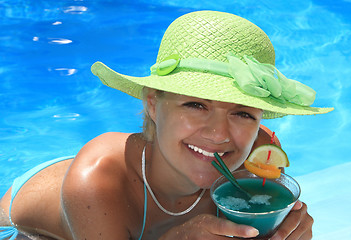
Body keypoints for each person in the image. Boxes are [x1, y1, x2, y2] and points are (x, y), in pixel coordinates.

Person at [0, 10, 333, 240]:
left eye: (243, 113)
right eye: (195, 104)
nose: (218, 134)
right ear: (152, 105)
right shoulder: (98, 180)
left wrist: (289, 230)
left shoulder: (259, 160)